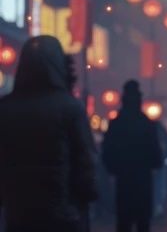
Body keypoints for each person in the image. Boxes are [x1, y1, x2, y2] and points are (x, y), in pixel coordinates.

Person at [0, 36, 98, 232]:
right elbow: (85, 162)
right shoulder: (70, 108)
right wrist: (87, 195)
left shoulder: (5, 108)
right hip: (63, 212)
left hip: (18, 212)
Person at [102, 80, 163, 232]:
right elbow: (156, 154)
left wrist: (114, 169)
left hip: (124, 178)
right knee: (143, 222)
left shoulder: (116, 123)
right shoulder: (146, 123)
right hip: (143, 177)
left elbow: (107, 151)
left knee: (124, 221)